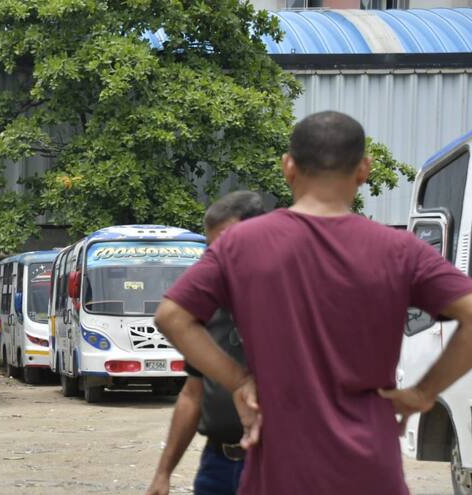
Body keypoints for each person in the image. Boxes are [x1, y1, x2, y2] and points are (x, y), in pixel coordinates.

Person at [154, 111, 472, 494]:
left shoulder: (243, 245)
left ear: (289, 167)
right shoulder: (401, 250)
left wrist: (238, 381)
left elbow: (172, 316)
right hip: (369, 469)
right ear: (364, 170)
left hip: (277, 472)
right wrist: (422, 394)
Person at [147, 191, 266, 495]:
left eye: (227, 245)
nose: (217, 259)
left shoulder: (288, 304)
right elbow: (192, 395)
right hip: (218, 465)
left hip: (274, 464)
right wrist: (163, 473)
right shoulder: (203, 312)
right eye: (211, 249)